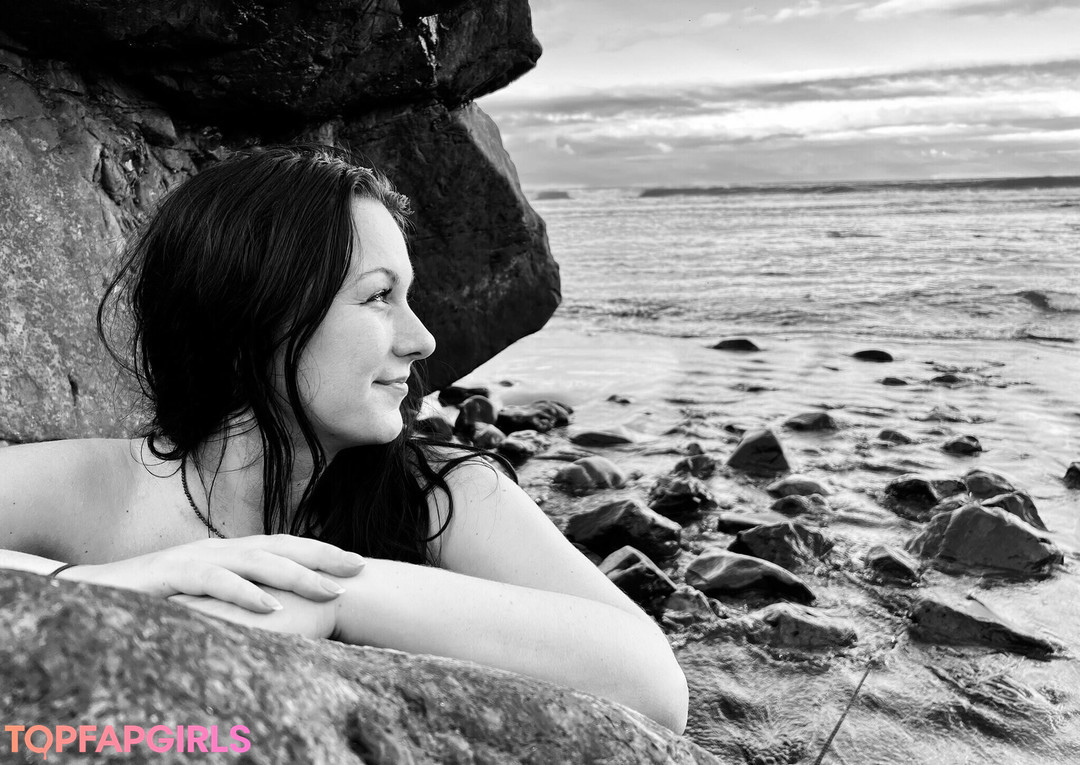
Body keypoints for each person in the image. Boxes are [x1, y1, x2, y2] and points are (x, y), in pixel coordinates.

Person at [0, 144, 688, 734]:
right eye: (379, 296)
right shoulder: (96, 486)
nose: (423, 340)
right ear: (252, 314)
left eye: (408, 296)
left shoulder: (441, 494)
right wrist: (94, 584)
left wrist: (332, 596)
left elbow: (655, 685)